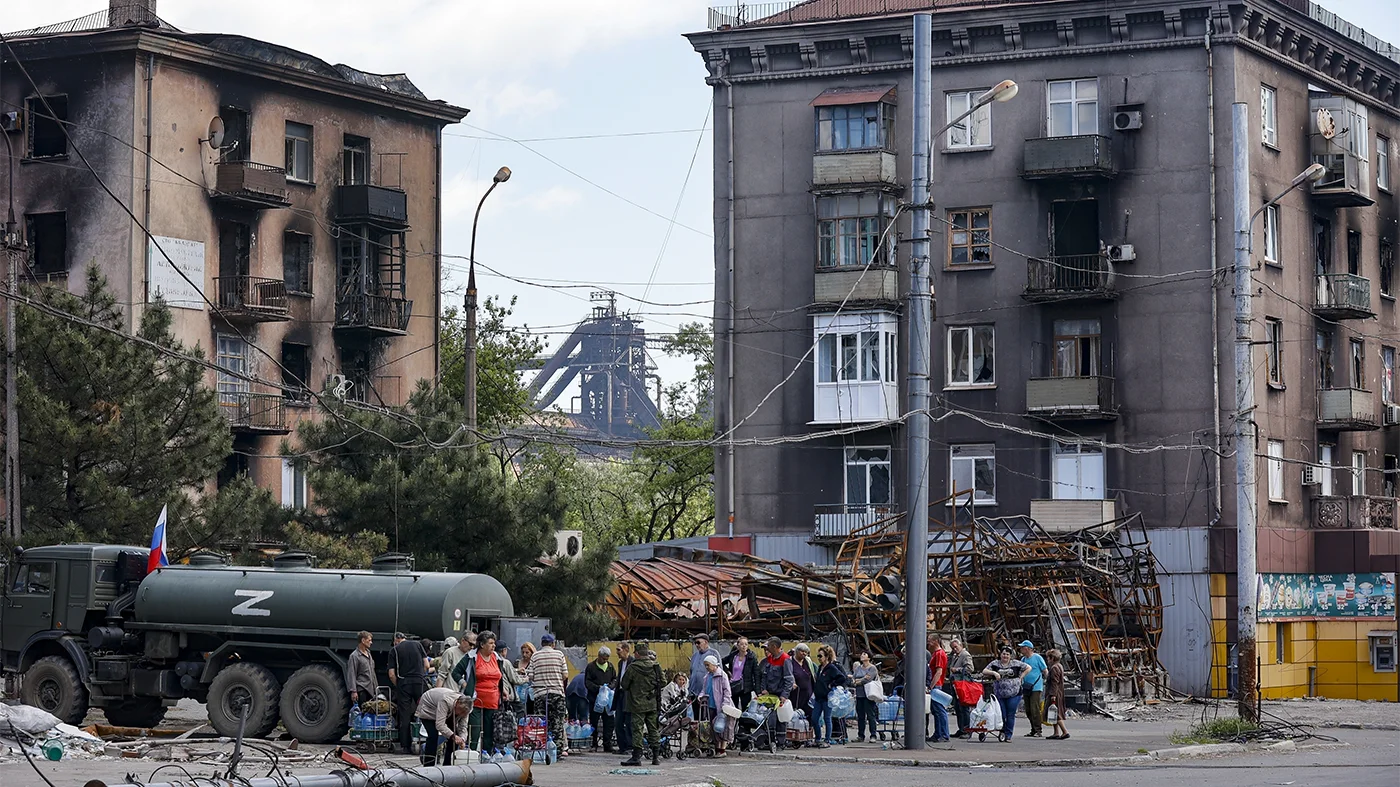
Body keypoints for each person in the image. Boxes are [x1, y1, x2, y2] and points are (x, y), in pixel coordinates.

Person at [452, 630, 505, 752]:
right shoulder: (471, 657)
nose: (494, 646)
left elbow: (501, 676)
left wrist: (504, 690)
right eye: (491, 643)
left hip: (493, 700)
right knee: (474, 728)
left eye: (494, 643)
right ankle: (471, 753)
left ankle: (487, 754)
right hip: (474, 700)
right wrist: (463, 683)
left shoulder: (497, 658)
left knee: (490, 729)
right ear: (482, 644)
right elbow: (456, 673)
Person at [619, 642, 664, 766]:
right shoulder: (656, 666)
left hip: (636, 703)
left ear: (637, 654)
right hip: (652, 703)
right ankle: (655, 757)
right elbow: (663, 682)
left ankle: (636, 757)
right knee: (653, 729)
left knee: (637, 730)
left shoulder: (633, 668)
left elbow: (624, 684)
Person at [526, 633, 570, 757]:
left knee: (541, 722)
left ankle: (541, 748)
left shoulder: (535, 656)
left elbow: (530, 675)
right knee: (557, 722)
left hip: (540, 694)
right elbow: (565, 675)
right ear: (553, 644)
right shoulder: (559, 655)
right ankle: (557, 750)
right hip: (557, 694)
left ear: (541, 644)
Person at [389, 632, 430, 754]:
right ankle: (426, 740)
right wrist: (420, 675)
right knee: (425, 711)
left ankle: (405, 746)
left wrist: (399, 685)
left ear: (396, 640)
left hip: (404, 683)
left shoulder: (394, 650)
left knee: (404, 715)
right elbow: (427, 665)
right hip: (419, 682)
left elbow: (391, 674)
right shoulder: (418, 645)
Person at [981, 646, 1031, 741]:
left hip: (1014, 693)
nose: (1005, 656)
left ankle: (1008, 734)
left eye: (1007, 654)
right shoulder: (995, 663)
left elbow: (1028, 668)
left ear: (1010, 656)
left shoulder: (1016, 663)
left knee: (1010, 714)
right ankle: (1002, 731)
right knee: (1001, 714)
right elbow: (984, 670)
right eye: (1004, 654)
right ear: (1000, 654)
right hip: (1000, 693)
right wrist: (994, 673)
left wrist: (1021, 677)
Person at [415, 687, 470, 766]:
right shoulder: (445, 701)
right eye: (460, 711)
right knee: (433, 735)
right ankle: (428, 764)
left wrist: (462, 739)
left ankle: (448, 764)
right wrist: (453, 736)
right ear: (457, 703)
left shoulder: (466, 708)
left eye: (463, 713)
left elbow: (463, 726)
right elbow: (440, 725)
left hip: (447, 711)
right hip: (428, 709)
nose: (461, 714)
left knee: (455, 736)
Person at [758, 637, 795, 743]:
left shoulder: (785, 659)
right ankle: (769, 740)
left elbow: (789, 679)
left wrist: (784, 695)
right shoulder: (771, 659)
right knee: (769, 718)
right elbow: (764, 676)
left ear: (774, 646)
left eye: (768, 646)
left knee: (780, 719)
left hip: (779, 694)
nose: (767, 648)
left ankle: (780, 741)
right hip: (770, 694)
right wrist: (763, 689)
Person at [812, 645, 847, 747]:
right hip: (818, 697)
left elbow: (842, 678)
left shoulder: (831, 668)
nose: (818, 658)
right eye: (818, 656)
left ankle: (827, 739)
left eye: (820, 656)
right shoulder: (819, 668)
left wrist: (832, 685)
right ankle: (818, 738)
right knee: (814, 718)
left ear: (827, 657)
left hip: (827, 697)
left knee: (827, 719)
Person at [584, 646, 617, 752]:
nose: (605, 661)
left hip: (607, 701)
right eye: (603, 658)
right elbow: (587, 682)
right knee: (594, 722)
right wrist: (598, 688)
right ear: (599, 656)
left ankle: (607, 744)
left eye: (607, 659)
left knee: (609, 722)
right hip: (595, 700)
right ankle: (593, 744)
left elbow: (615, 679)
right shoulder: (591, 667)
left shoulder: (610, 667)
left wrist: (610, 687)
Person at [701, 654, 734, 757]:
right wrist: (701, 696)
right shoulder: (707, 676)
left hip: (721, 705)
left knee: (723, 727)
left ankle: (722, 749)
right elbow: (704, 689)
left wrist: (725, 704)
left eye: (708, 665)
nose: (706, 667)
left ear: (714, 665)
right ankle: (717, 747)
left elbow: (727, 692)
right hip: (711, 705)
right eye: (705, 665)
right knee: (713, 727)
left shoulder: (722, 675)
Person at [1017, 640, 1049, 738]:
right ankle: (1033, 729)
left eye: (1023, 647)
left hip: (1036, 687)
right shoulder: (1023, 659)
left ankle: (1038, 730)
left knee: (1034, 708)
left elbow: (1045, 670)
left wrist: (1048, 683)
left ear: (1028, 648)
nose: (1021, 649)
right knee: (1028, 709)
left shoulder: (1037, 658)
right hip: (1026, 686)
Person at [849, 651, 880, 743]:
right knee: (860, 716)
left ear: (869, 657)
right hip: (859, 695)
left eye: (864, 654)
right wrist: (859, 680)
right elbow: (853, 680)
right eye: (861, 654)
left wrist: (859, 681)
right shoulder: (858, 668)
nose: (862, 655)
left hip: (869, 695)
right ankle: (860, 735)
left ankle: (873, 735)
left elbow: (868, 679)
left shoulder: (872, 668)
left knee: (871, 715)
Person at [722, 636, 758, 711]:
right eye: (742, 644)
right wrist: (727, 671)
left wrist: (757, 690)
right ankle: (734, 722)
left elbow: (756, 673)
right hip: (733, 685)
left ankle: (743, 722)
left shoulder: (751, 657)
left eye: (746, 644)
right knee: (733, 708)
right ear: (737, 646)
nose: (744, 646)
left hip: (745, 687)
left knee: (745, 708)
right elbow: (721, 662)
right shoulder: (733, 655)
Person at [947, 638, 974, 738]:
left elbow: (970, 668)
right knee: (958, 707)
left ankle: (967, 730)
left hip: (963, 684)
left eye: (956, 647)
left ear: (961, 645)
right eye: (953, 648)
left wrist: (957, 669)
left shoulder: (965, 655)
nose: (954, 649)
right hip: (955, 684)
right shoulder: (955, 656)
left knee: (964, 708)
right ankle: (961, 728)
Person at [927, 636, 950, 742]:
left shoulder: (939, 654)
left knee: (940, 710)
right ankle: (938, 733)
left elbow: (939, 672)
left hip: (936, 685)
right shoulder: (936, 654)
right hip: (936, 684)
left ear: (936, 641)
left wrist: (931, 686)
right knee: (936, 711)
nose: (928, 643)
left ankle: (944, 734)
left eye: (930, 640)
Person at [346, 631, 376, 708]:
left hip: (371, 690)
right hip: (362, 690)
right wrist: (354, 691)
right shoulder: (355, 656)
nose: (371, 642)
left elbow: (372, 672)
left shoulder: (369, 654)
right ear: (363, 641)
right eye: (369, 640)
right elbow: (351, 674)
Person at [614, 642, 634, 754]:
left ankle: (630, 745)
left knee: (629, 721)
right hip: (620, 694)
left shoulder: (633, 662)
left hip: (629, 695)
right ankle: (622, 746)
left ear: (626, 649)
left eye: (618, 650)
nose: (617, 652)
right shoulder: (620, 663)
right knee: (618, 721)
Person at [1045, 649, 1069, 740]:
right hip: (1058, 692)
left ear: (1052, 658)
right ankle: (1056, 732)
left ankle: (1064, 731)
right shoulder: (1059, 666)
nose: (1047, 659)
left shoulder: (1054, 668)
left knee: (1056, 713)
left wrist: (1053, 695)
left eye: (1048, 658)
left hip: (1055, 693)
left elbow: (1054, 682)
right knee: (1053, 712)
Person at [789, 643, 817, 719]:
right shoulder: (790, 662)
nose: (804, 653)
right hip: (796, 695)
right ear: (796, 651)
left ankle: (809, 729)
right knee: (797, 716)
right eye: (802, 651)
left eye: (806, 652)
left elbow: (814, 675)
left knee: (811, 715)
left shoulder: (808, 662)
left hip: (809, 694)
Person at [689, 635, 718, 700]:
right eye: (695, 643)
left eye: (698, 642)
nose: (696, 645)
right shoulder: (695, 655)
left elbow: (718, 673)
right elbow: (691, 673)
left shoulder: (713, 653)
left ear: (706, 642)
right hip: (694, 692)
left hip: (707, 693)